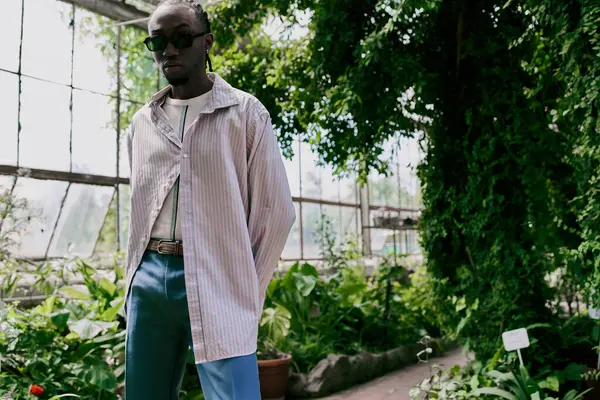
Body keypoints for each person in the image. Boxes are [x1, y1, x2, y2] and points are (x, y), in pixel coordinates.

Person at [123, 0, 296, 398]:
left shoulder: (245, 113)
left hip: (220, 277)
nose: (170, 49)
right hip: (149, 277)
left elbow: (276, 211)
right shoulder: (141, 124)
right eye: (158, 41)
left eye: (182, 38)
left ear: (207, 42)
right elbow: (138, 209)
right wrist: (133, 279)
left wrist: (247, 287)